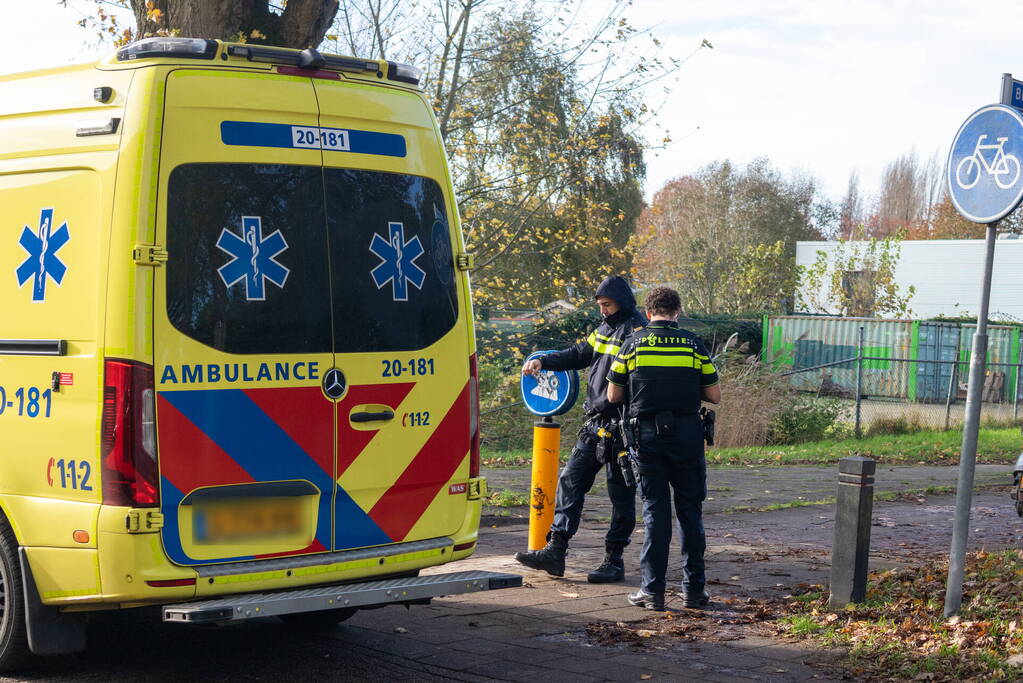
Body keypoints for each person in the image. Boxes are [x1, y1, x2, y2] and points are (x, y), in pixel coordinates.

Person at [514, 275, 647, 583]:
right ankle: (555, 551)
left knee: (621, 497)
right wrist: (543, 361)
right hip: (596, 424)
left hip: (623, 428)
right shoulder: (605, 328)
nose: (603, 310)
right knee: (570, 481)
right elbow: (579, 354)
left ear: (622, 302)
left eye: (607, 305)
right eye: (600, 305)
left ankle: (614, 560)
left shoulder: (638, 331)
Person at [606, 286, 721, 611]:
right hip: (688, 436)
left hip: (646, 438)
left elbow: (613, 395)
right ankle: (694, 591)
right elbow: (714, 396)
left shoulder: (632, 344)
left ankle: (652, 592)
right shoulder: (693, 344)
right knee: (690, 511)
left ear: (648, 311)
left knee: (655, 512)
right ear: (677, 312)